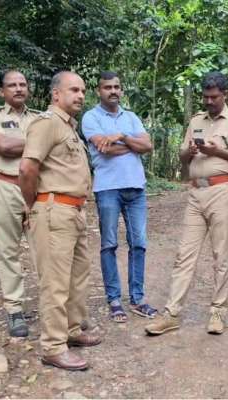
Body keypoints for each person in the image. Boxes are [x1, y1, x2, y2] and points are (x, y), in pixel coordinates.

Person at [145, 71, 228, 336]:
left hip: (221, 191)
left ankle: (218, 312)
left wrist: (217, 151)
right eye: (206, 97)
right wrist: (190, 151)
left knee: (221, 255)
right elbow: (183, 156)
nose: (209, 101)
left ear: (225, 94)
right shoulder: (196, 120)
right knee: (184, 255)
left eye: (214, 97)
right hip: (196, 194)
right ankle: (171, 314)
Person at [19, 71, 101, 371]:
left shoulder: (69, 128)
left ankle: (71, 330)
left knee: (78, 275)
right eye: (73, 90)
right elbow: (27, 169)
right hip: (53, 211)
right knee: (54, 282)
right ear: (56, 94)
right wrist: (34, 207)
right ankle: (53, 346)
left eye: (82, 91)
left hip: (74, 211)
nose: (80, 95)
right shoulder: (47, 124)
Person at [81, 71, 156, 323]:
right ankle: (114, 300)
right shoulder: (90, 117)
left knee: (139, 244)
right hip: (107, 188)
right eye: (107, 87)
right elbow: (106, 149)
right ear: (98, 91)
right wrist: (132, 144)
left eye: (117, 87)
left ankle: (138, 298)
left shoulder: (131, 117)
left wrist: (122, 137)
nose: (113, 91)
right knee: (109, 244)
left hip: (136, 187)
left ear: (121, 90)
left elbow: (148, 146)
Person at [0, 70, 41, 337]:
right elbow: (3, 147)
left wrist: (30, 143)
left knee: (45, 250)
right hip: (5, 187)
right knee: (8, 251)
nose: (18, 89)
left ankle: (56, 308)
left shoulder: (40, 118)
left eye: (22, 84)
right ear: (1, 91)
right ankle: (15, 310)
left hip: (38, 190)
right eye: (12, 85)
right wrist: (39, 143)